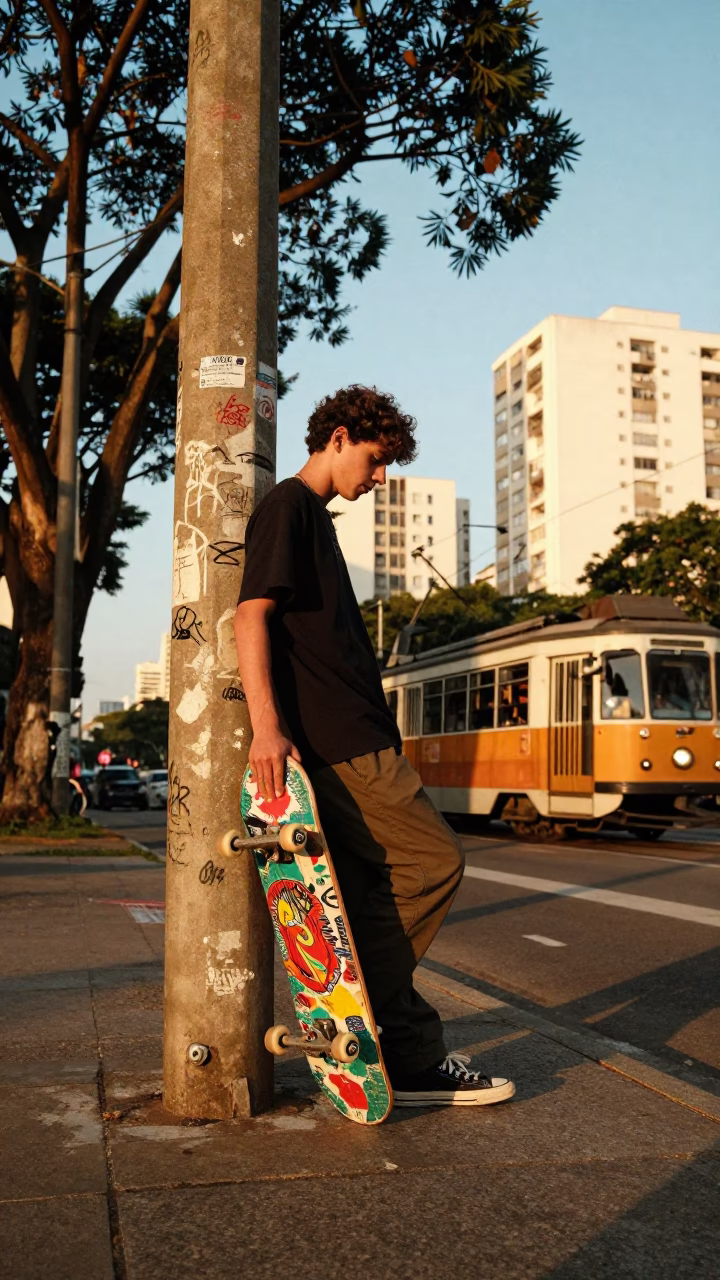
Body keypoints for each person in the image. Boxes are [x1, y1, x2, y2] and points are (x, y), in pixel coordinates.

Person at [234, 385, 515, 1108]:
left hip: (357, 737)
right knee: (434, 862)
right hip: (338, 742)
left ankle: (411, 1055)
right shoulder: (287, 509)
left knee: (369, 895)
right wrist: (267, 727)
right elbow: (249, 616)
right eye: (377, 459)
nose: (381, 477)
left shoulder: (316, 520)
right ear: (338, 436)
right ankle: (347, 1001)